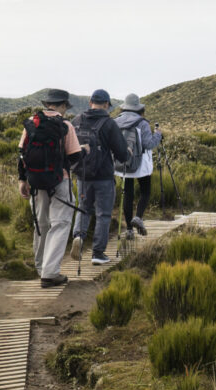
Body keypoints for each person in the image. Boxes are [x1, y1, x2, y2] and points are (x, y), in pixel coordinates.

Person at [20, 89, 85, 288]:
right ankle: (50, 273)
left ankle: (40, 268)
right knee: (61, 223)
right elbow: (74, 157)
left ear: (47, 104)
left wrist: (22, 180)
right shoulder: (65, 126)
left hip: (36, 182)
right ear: (63, 105)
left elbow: (22, 154)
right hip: (59, 181)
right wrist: (84, 150)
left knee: (41, 224)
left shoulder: (31, 123)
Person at [71, 90, 130, 266]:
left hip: (82, 175)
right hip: (103, 176)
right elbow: (121, 153)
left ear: (90, 102)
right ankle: (98, 253)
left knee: (83, 209)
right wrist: (127, 153)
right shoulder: (109, 124)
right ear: (106, 104)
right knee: (103, 214)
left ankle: (78, 237)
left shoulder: (76, 121)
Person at [113, 93, 161, 239]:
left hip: (123, 163)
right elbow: (148, 144)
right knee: (145, 191)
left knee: (128, 194)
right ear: (138, 108)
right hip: (141, 165)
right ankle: (138, 217)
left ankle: (128, 229)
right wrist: (158, 135)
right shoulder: (142, 123)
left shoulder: (116, 122)